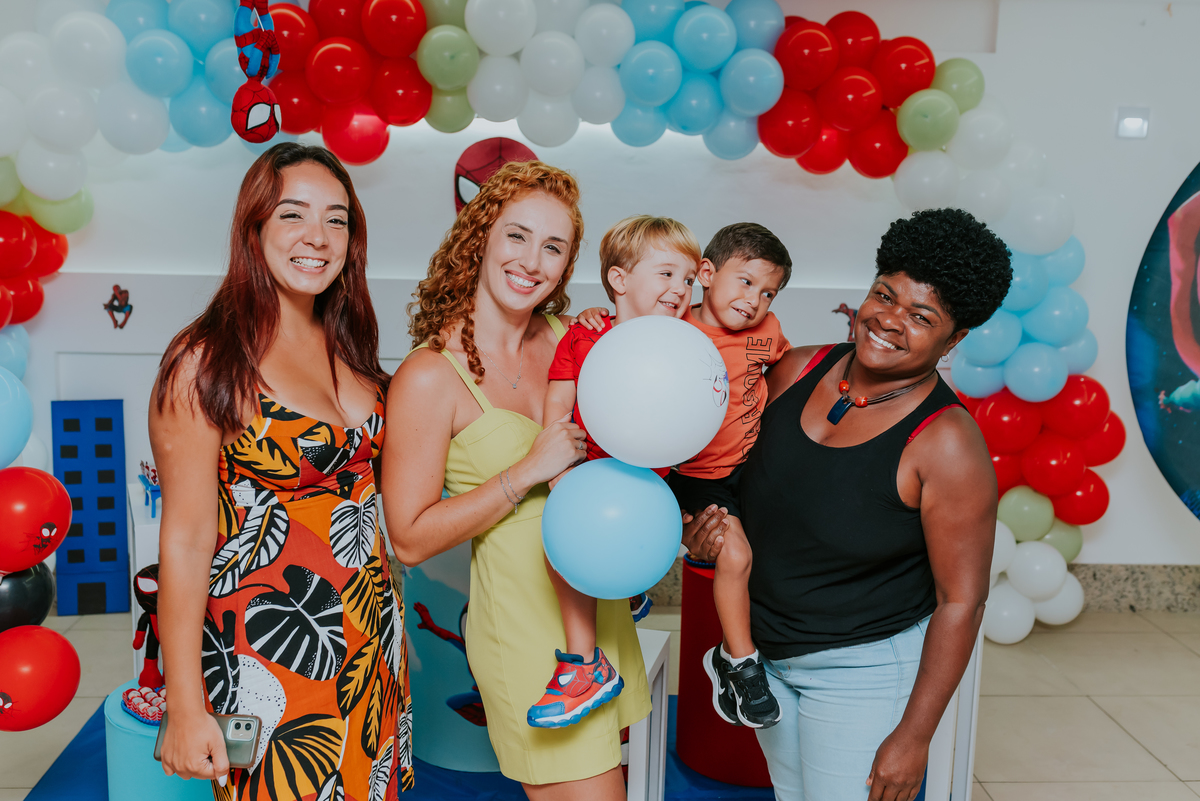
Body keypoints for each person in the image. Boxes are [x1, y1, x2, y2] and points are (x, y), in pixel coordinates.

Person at [709, 208, 1011, 801]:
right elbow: (728, 473)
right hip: (767, 657)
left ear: (954, 338)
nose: (888, 321)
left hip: (864, 672)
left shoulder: (947, 444)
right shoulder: (795, 368)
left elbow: (961, 599)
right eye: (884, 295)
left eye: (921, 317)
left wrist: (915, 735)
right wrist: (711, 521)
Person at [150, 143, 412, 800]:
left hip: (370, 642)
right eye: (293, 215)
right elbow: (183, 543)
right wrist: (184, 705)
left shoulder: (348, 342)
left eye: (337, 219)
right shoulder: (205, 361)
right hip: (266, 659)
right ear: (255, 227)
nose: (317, 238)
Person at [382, 160, 650, 800]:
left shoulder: (574, 337)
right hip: (529, 636)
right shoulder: (429, 376)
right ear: (480, 238)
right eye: (517, 236)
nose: (533, 260)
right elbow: (410, 538)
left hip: (598, 614)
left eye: (554, 247)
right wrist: (526, 472)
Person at [527, 215, 700, 729]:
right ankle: (585, 663)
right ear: (620, 281)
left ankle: (625, 588)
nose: (680, 289)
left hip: (646, 484)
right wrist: (556, 462)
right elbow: (558, 399)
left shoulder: (682, 343)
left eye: (689, 279)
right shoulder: (585, 337)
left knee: (620, 537)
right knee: (562, 550)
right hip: (589, 474)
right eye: (666, 274)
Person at [669, 222, 792, 730]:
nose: (754, 299)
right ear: (705, 273)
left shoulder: (768, 332)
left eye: (768, 291)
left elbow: (790, 375)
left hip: (751, 465)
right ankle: (739, 662)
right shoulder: (673, 325)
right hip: (696, 474)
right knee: (735, 552)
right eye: (744, 281)